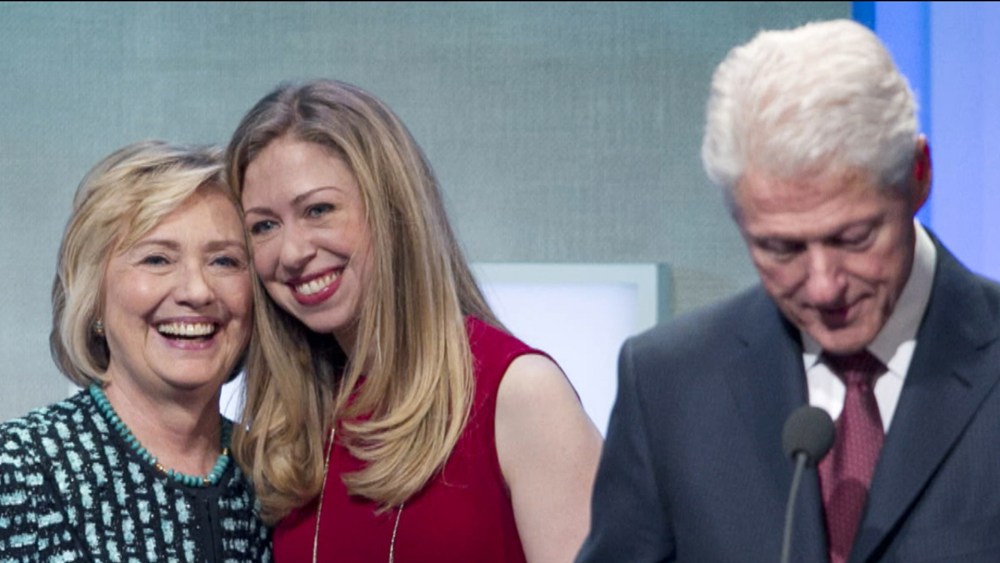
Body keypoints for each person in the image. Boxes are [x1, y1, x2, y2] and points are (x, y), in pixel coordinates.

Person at [578, 18, 1000, 563]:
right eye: (781, 248)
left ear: (918, 176)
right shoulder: (668, 383)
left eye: (854, 238)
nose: (824, 287)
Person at [225, 78, 603, 562]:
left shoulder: (522, 394)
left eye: (319, 210)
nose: (292, 252)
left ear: (392, 209)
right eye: (264, 226)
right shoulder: (293, 428)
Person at [0, 141, 272, 561]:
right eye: (157, 259)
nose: (197, 291)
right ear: (93, 297)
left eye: (223, 261)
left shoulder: (276, 477)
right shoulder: (20, 469)